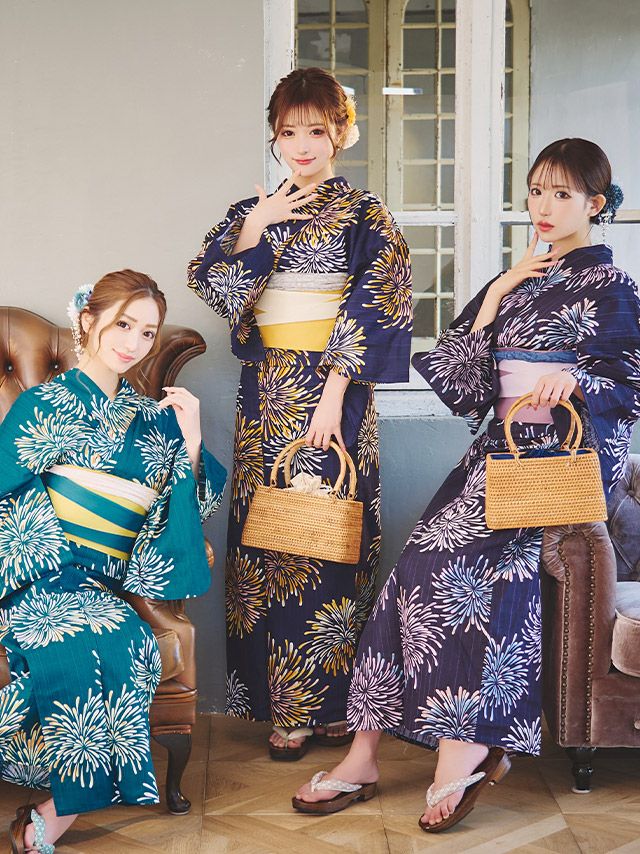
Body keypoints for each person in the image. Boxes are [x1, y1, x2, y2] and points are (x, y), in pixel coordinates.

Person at [293, 138, 640, 831]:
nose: (544, 207)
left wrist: (576, 378)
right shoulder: (515, 279)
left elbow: (629, 381)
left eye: (562, 194)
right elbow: (460, 387)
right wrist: (498, 296)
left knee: (480, 578)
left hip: (560, 463)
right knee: (412, 572)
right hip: (496, 454)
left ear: (594, 204)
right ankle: (364, 753)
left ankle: (467, 746)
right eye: (536, 191)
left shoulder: (615, 286)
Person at [187, 67, 412, 759]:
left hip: (334, 391)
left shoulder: (365, 214)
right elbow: (214, 288)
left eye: (317, 130)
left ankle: (336, 704)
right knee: (268, 545)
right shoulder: (249, 210)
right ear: (275, 138)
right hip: (265, 395)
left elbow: (379, 302)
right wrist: (255, 229)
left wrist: (335, 396)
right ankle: (284, 708)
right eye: (289, 132)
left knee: (331, 544)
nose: (303, 145)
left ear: (341, 133)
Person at [1, 269, 226, 852]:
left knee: (130, 644)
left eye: (147, 332)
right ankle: (56, 816)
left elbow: (188, 510)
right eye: (123, 324)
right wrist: (40, 563)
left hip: (101, 584)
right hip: (36, 573)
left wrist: (191, 442)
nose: (134, 343)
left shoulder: (156, 419)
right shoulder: (40, 406)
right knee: (72, 645)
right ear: (88, 320)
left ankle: (57, 807)